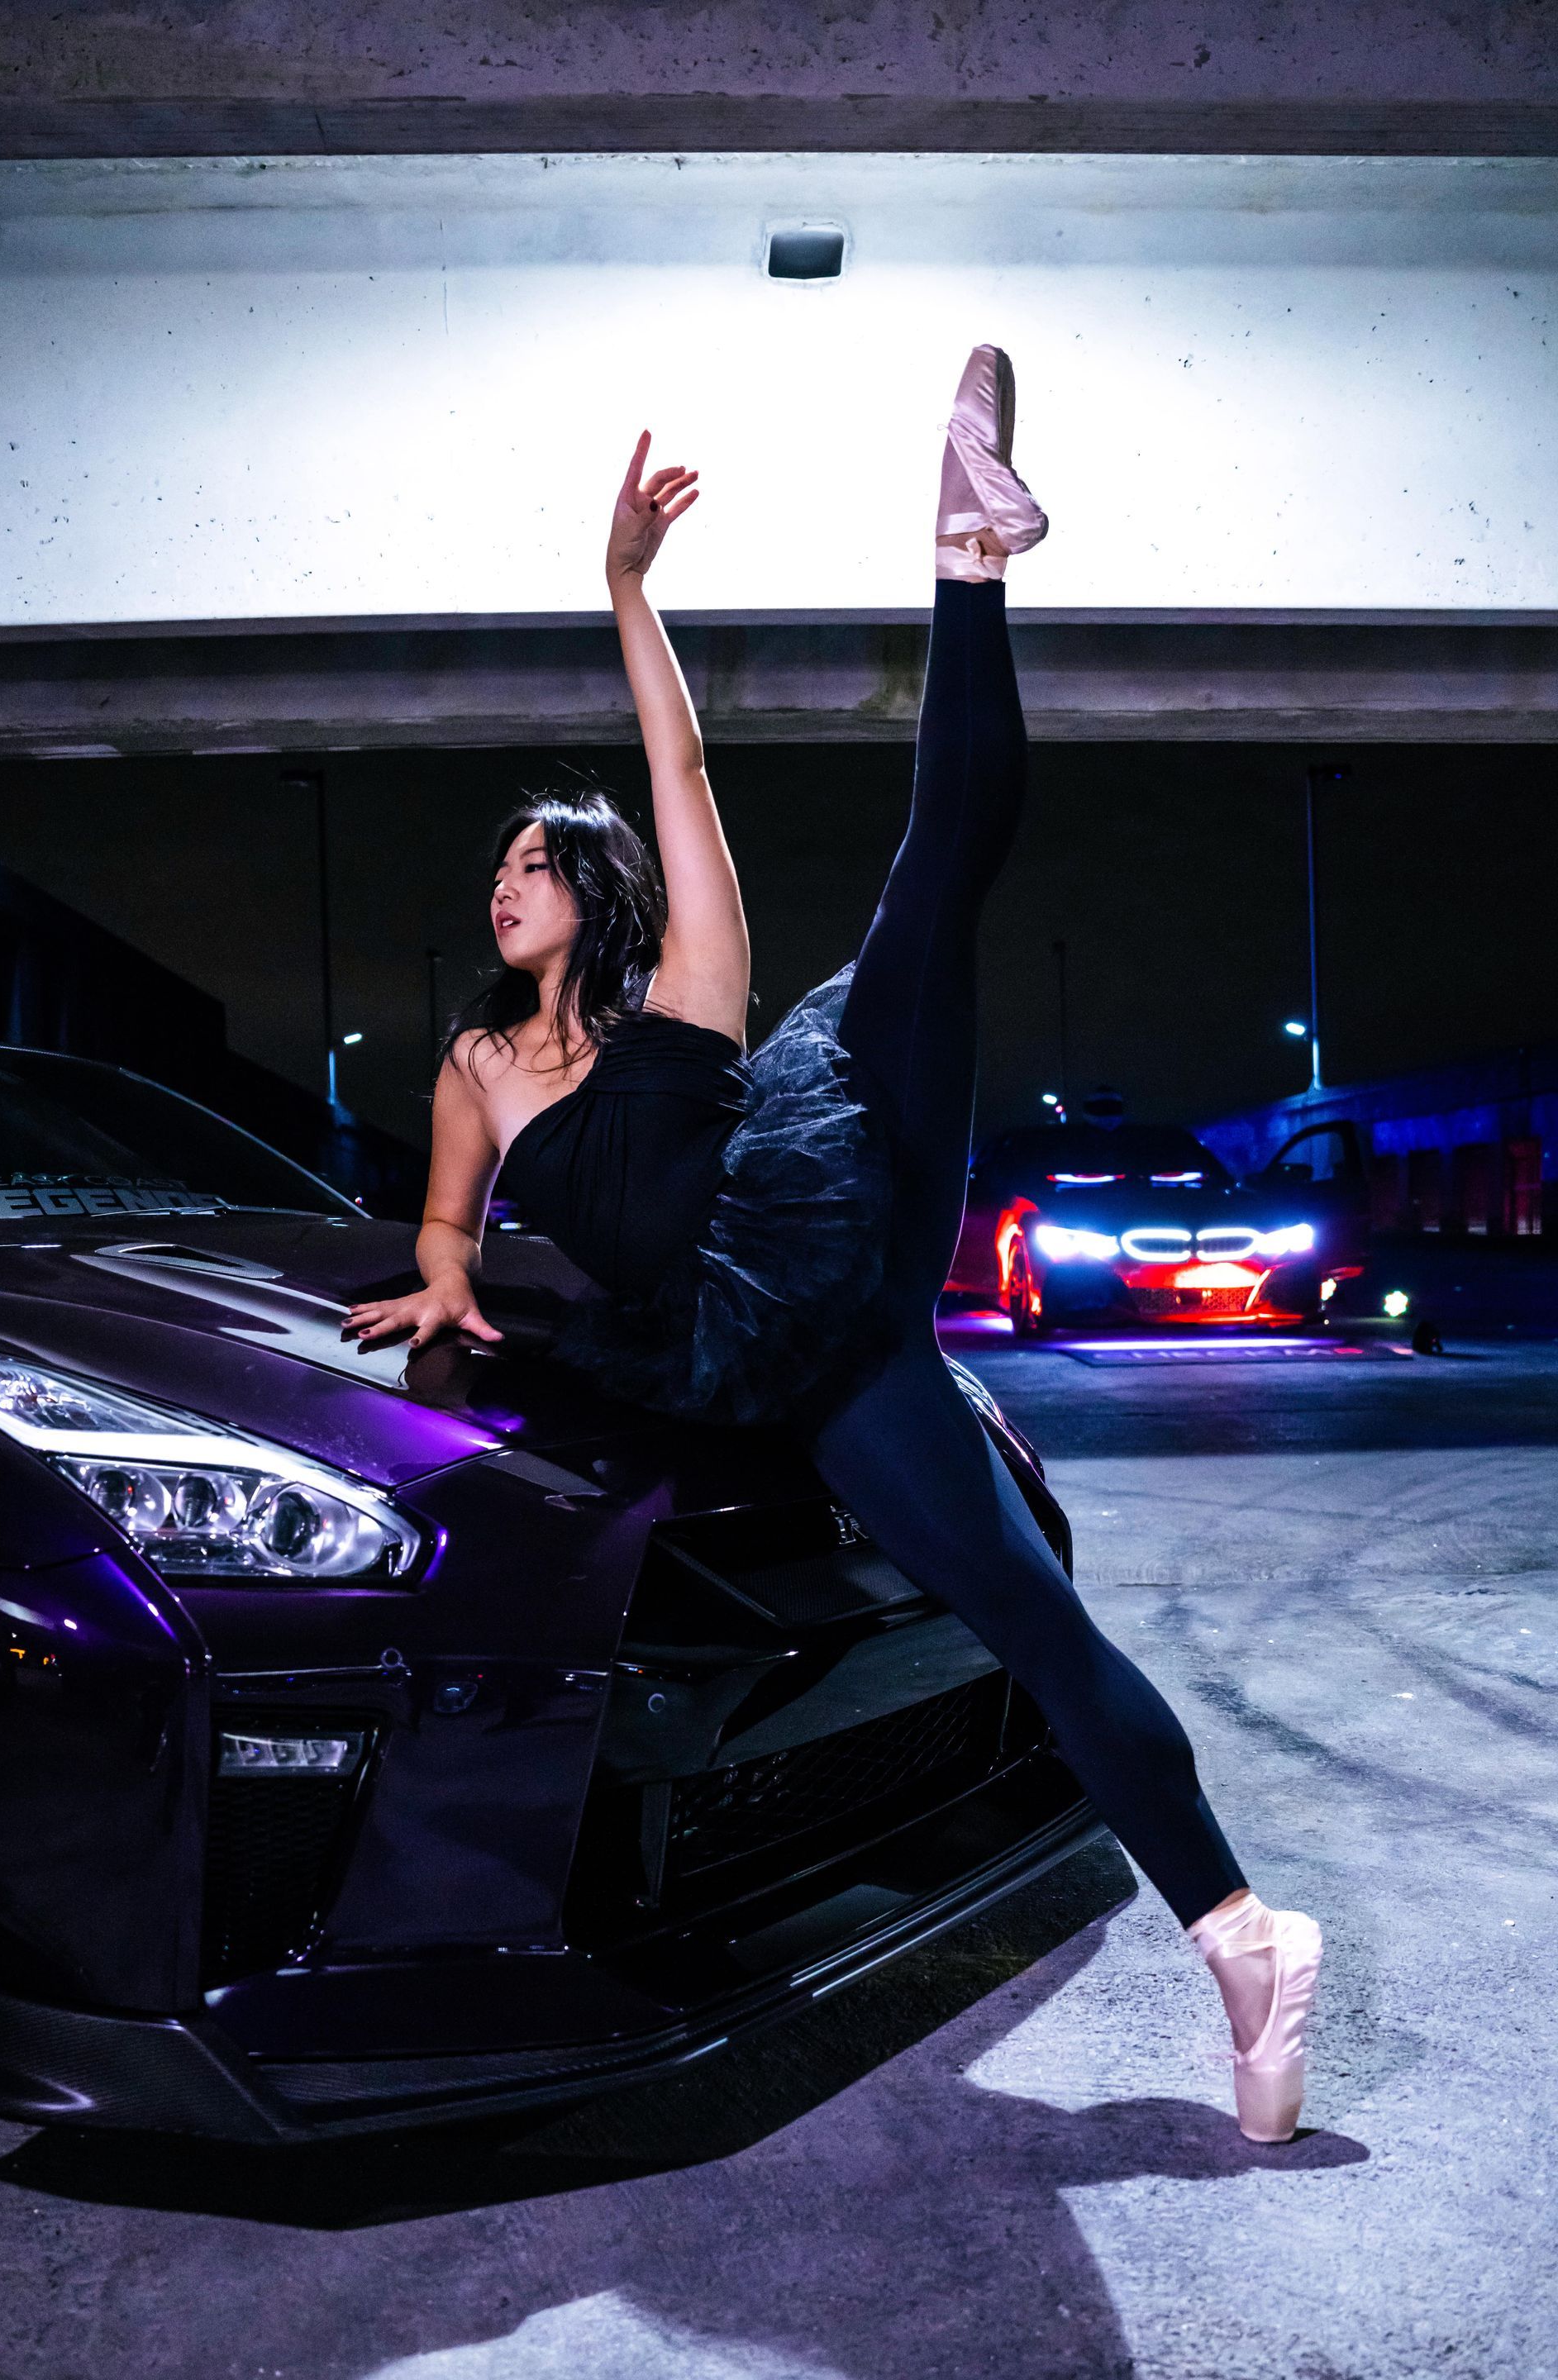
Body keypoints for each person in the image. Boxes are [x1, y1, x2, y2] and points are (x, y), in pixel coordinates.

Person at [344, 349, 1322, 2144]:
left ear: (602, 891)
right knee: (1027, 1609)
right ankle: (1250, 1937)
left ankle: (970, 555)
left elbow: (681, 757)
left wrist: (626, 589)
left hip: (829, 1178)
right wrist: (448, 1278)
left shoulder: (682, 999)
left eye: (540, 864)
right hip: (794, 1338)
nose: (507, 885)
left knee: (929, 891)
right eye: (495, 870)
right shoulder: (476, 1065)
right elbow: (441, 1209)